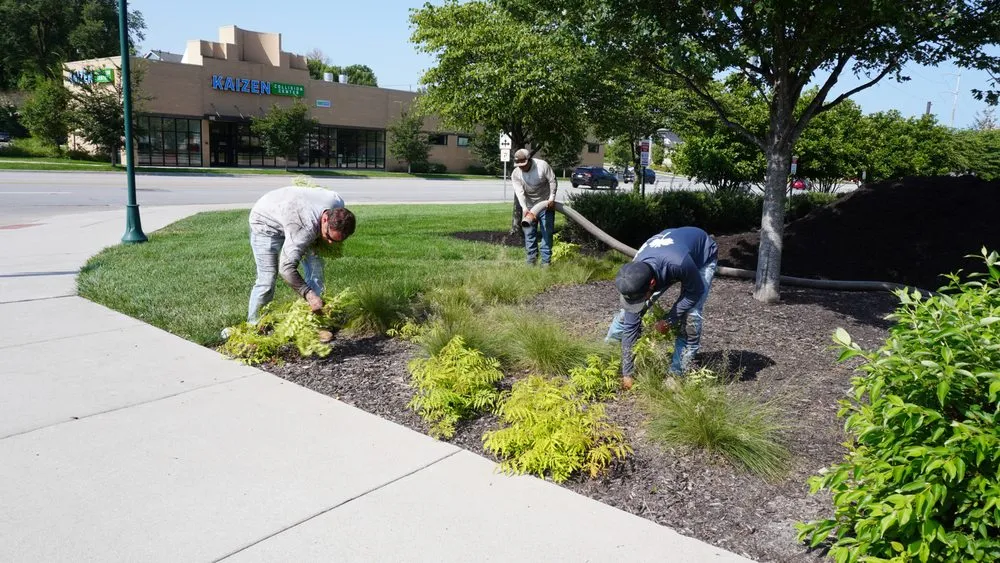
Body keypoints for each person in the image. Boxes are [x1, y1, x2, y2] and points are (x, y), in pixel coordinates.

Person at [607, 226, 718, 388]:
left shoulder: (678, 263)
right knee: (627, 315)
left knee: (691, 316)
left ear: (652, 283)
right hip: (668, 254)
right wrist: (627, 373)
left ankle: (677, 374)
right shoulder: (634, 272)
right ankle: (607, 353)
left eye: (643, 296)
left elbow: (695, 292)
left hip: (700, 255)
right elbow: (630, 326)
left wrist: (669, 321)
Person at [245, 185, 356, 325]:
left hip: (293, 212)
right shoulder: (304, 228)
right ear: (325, 219)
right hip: (265, 222)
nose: (329, 242)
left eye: (335, 240)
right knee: (267, 279)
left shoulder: (336, 201)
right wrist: (309, 295)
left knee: (316, 271)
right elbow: (286, 268)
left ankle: (313, 320)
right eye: (328, 237)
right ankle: (254, 325)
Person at [511, 148, 557, 266]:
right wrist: (524, 208)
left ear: (529, 160)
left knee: (546, 233)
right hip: (529, 207)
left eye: (523, 164)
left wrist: (551, 199)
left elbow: (552, 181)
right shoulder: (516, 174)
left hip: (545, 205)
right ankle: (531, 261)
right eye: (519, 165)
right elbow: (519, 192)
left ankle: (546, 263)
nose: (521, 167)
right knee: (529, 234)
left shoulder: (542, 166)